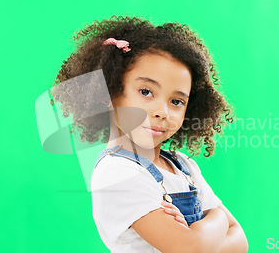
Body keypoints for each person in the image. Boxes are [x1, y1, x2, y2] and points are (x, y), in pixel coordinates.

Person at [51, 15, 248, 253]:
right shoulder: (117, 174)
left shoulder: (182, 166)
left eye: (176, 101)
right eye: (146, 91)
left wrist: (204, 234)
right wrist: (217, 217)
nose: (162, 112)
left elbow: (240, 242)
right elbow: (192, 249)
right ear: (108, 93)